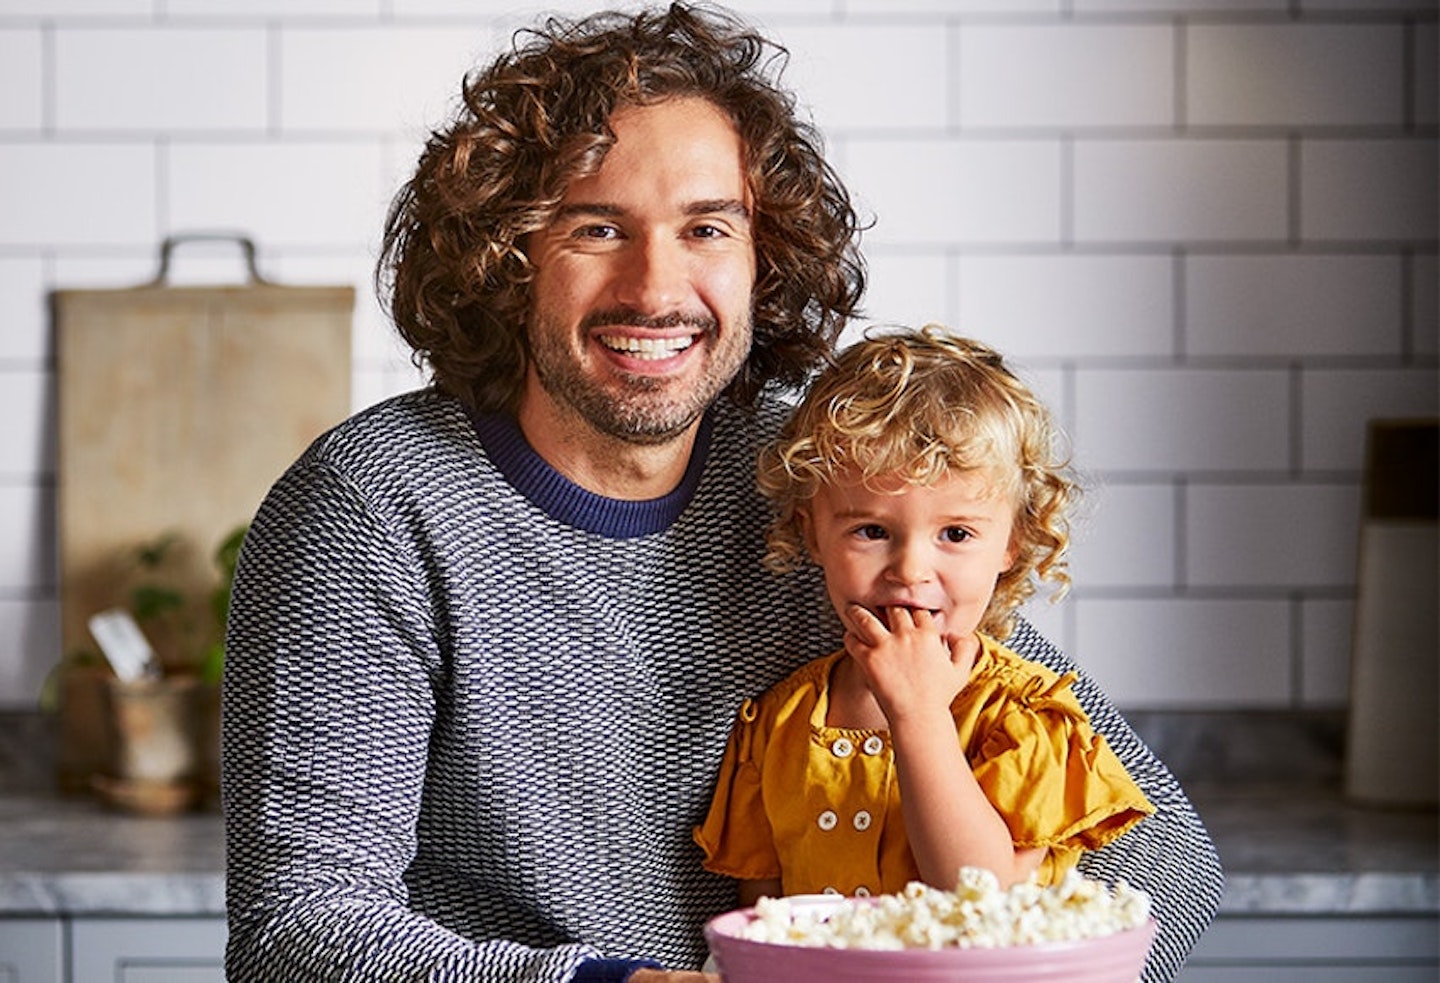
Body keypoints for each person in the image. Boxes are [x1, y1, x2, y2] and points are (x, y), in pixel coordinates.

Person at [219, 4, 1222, 982]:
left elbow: (1164, 853)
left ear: (762, 257)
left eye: (706, 227)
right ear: (507, 256)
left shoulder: (822, 477)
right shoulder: (371, 509)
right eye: (598, 228)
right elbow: (302, 930)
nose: (656, 288)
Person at [694, 328, 1154, 906]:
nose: (911, 570)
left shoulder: (1024, 718)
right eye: (872, 531)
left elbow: (980, 896)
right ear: (812, 534)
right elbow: (761, 917)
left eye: (956, 534)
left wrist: (917, 713)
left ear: (1014, 541)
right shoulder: (779, 721)